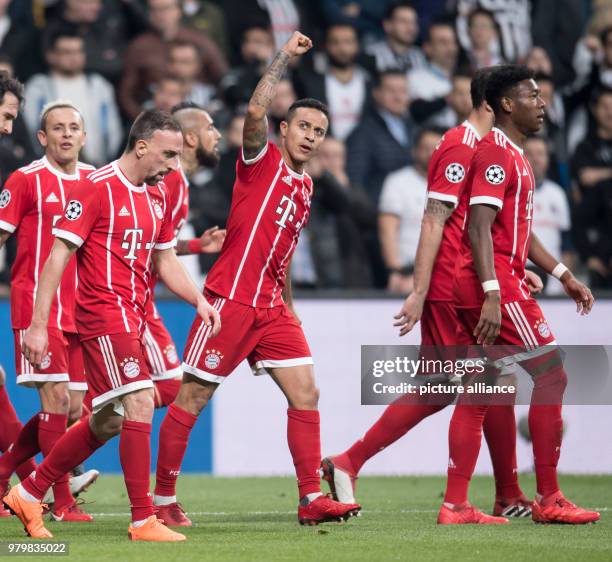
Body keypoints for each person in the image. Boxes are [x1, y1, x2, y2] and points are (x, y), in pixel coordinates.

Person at [152, 31, 361, 528]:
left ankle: (311, 498)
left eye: (319, 130)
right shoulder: (259, 161)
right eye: (303, 126)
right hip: (227, 303)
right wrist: (283, 59)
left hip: (272, 308)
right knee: (192, 399)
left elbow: (282, 253)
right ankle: (162, 501)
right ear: (284, 130)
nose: (311, 136)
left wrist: (289, 307)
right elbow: (252, 113)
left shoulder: (307, 186)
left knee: (306, 393)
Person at [322, 69, 538, 522]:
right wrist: (419, 290)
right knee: (486, 384)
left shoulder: (478, 148)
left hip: (463, 280)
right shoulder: (461, 146)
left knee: (447, 388)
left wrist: (513, 272)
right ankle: (473, 500)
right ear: (494, 104)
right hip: (449, 285)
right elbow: (433, 219)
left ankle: (350, 462)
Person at [5, 109, 221, 541]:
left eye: (177, 156)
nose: (173, 165)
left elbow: (164, 259)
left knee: (109, 419)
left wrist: (198, 299)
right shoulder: (94, 188)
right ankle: (143, 519)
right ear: (141, 147)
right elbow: (56, 259)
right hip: (103, 314)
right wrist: (38, 324)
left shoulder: (156, 195)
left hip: (135, 317)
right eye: (167, 154)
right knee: (140, 401)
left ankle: (30, 491)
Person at [443, 64, 599, 525]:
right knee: (553, 375)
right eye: (532, 96)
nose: (542, 104)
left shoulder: (514, 155)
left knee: (479, 392)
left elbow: (520, 233)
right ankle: (549, 498)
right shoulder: (495, 155)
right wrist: (493, 290)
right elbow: (478, 226)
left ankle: (455, 505)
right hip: (495, 286)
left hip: (497, 281)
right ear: (507, 104)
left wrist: (564, 273)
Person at [0, 101, 102, 523]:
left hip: (81, 310)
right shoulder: (25, 179)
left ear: (83, 135)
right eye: (56, 128)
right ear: (42, 137)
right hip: (36, 309)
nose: (65, 134)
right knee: (56, 400)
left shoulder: (96, 180)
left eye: (73, 127)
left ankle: (5, 472)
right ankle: (61, 503)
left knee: (74, 410)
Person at [145, 102, 225, 410]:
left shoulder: (180, 182)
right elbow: (150, 248)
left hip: (138, 296)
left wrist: (195, 246)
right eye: (210, 128)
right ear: (190, 139)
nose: (217, 135)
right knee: (167, 387)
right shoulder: (170, 180)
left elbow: (157, 242)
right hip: (131, 298)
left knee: (79, 401)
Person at [23, 27, 123, 167]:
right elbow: (29, 129)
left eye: (78, 51)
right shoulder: (38, 87)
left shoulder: (99, 86)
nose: (74, 57)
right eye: (67, 52)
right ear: (51, 55)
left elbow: (113, 130)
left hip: (97, 165)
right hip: (50, 166)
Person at [378, 128, 442, 294]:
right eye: (425, 148)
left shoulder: (455, 183)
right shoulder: (398, 181)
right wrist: (395, 271)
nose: (431, 153)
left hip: (445, 272)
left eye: (436, 148)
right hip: (408, 274)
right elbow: (388, 229)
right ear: (414, 151)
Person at [525, 136, 572, 295]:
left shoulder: (557, 194)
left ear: (548, 159)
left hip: (553, 286)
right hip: (518, 280)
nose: (535, 159)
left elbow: (566, 243)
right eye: (529, 154)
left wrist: (566, 281)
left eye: (540, 154)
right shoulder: (511, 191)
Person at [365, 2, 426, 73]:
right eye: (403, 22)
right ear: (387, 25)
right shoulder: (371, 54)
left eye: (414, 22)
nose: (411, 28)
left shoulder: (420, 56)